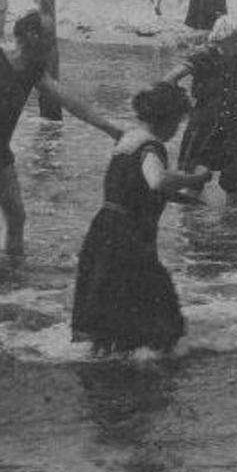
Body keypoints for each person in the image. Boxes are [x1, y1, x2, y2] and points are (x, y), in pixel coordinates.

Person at [0, 11, 124, 261]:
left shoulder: (33, 70)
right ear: (31, 35)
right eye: (50, 36)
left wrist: (110, 128)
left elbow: (70, 102)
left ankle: (14, 273)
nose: (53, 42)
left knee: (16, 216)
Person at [72, 82, 212, 356]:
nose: (177, 129)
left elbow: (133, 187)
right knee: (160, 319)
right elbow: (158, 180)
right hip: (129, 237)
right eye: (177, 122)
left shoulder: (129, 139)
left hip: (105, 229)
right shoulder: (151, 146)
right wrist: (196, 178)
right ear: (168, 119)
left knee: (107, 315)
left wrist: (184, 198)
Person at [165, 16, 237, 205]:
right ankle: (189, 227)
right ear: (223, 38)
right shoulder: (203, 57)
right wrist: (187, 108)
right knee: (194, 179)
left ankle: (231, 226)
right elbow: (170, 79)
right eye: (236, 40)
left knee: (233, 182)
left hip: (233, 126)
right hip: (203, 126)